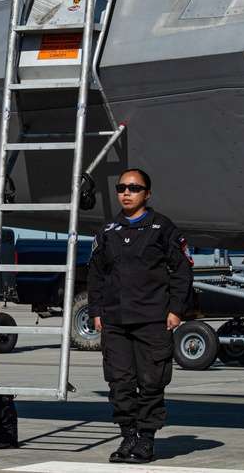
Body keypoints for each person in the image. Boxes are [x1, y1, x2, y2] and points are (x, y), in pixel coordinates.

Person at [87, 168, 194, 464]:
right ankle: (127, 438)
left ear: (147, 194)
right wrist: (96, 311)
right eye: (122, 187)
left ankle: (146, 441)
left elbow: (182, 270)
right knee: (119, 383)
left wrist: (175, 310)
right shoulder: (108, 231)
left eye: (134, 188)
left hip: (152, 321)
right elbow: (95, 274)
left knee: (150, 382)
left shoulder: (163, 229)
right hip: (115, 324)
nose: (126, 192)